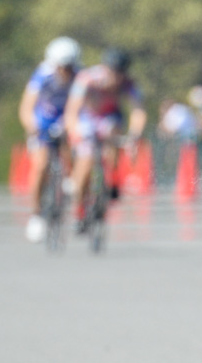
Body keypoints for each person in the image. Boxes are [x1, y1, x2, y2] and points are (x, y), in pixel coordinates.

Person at [64, 47, 147, 231]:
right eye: (112, 72)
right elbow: (72, 110)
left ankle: (112, 178)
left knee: (115, 133)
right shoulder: (88, 78)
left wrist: (134, 135)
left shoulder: (129, 83)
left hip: (110, 118)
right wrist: (75, 133)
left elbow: (138, 110)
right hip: (87, 118)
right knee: (84, 166)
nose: (115, 77)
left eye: (120, 73)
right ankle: (80, 209)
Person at [18, 37, 82, 243]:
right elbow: (27, 107)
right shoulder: (42, 74)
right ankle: (37, 215)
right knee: (41, 165)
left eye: (69, 67)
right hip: (44, 119)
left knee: (76, 146)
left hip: (69, 117)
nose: (65, 71)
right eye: (61, 67)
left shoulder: (80, 75)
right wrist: (32, 127)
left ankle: (72, 181)